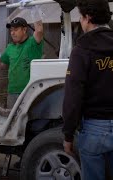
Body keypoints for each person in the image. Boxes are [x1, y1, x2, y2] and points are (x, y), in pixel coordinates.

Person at [62, 0, 113, 179]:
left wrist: (68, 135)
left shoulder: (81, 49)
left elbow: (73, 97)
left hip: (93, 129)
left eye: (81, 18)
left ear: (88, 18)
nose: (81, 23)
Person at [0, 11, 44, 109]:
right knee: (13, 121)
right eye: (11, 30)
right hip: (12, 92)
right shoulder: (10, 47)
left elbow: (39, 30)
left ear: (24, 30)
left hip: (30, 90)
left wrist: (34, 10)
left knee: (29, 120)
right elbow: (2, 65)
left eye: (15, 29)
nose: (12, 32)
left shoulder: (33, 43)